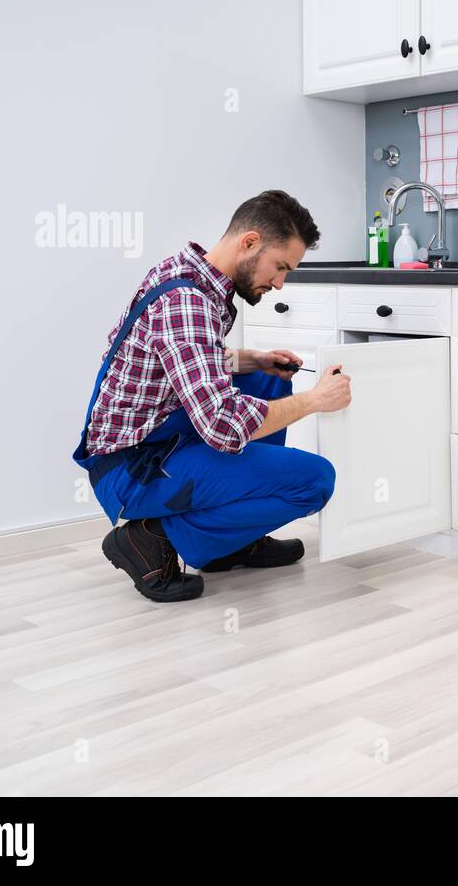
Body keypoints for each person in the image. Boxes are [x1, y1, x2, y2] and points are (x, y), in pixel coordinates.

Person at [71, 190, 351, 602]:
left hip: (153, 443)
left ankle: (236, 540)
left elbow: (181, 360)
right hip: (133, 469)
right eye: (280, 266)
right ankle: (148, 538)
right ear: (250, 242)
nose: (279, 283)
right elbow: (222, 426)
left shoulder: (187, 274)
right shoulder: (187, 301)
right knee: (315, 481)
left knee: (268, 382)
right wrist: (315, 400)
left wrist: (253, 361)